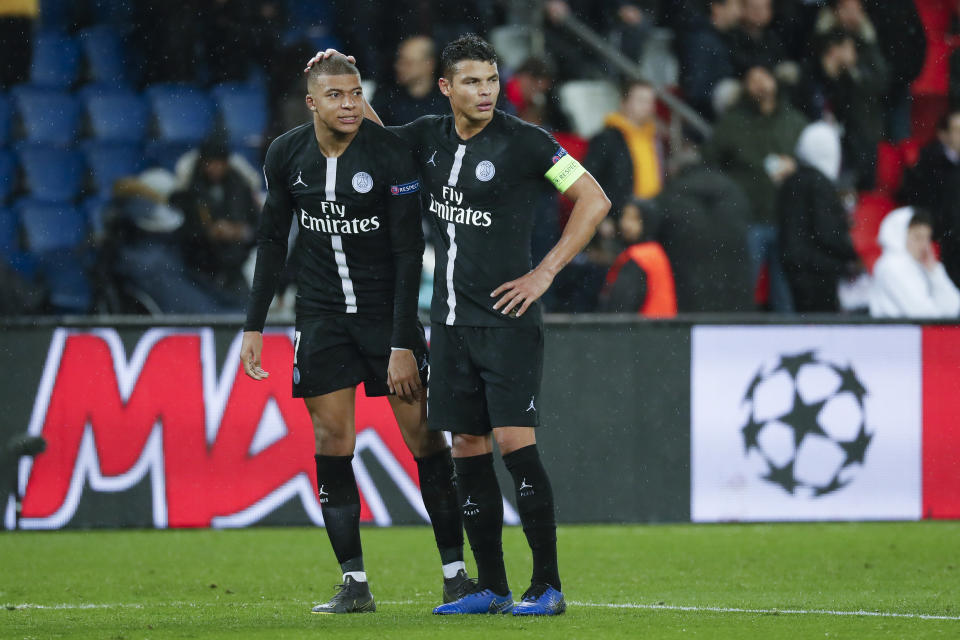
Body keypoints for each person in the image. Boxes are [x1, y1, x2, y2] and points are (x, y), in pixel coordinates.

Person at [307, 34, 611, 616]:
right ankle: (491, 588)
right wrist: (343, 78)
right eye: (472, 82)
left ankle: (546, 586)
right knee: (466, 446)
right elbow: (368, 138)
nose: (486, 92)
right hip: (447, 326)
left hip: (506, 323)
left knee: (515, 444)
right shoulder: (427, 138)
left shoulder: (526, 143)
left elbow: (593, 199)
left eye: (492, 80)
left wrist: (544, 273)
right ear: (446, 88)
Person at [239, 54, 473, 615]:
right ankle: (354, 583)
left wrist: (400, 344)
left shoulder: (389, 154)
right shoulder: (285, 154)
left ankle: (456, 574)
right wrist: (254, 323)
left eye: (355, 93)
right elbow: (273, 242)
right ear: (312, 102)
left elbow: (406, 251)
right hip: (320, 321)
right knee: (331, 443)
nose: (348, 105)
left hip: (384, 317)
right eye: (336, 96)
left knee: (425, 441)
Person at [705, 65, 807, 312]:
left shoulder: (794, 121)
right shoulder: (731, 123)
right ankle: (732, 340)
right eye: (752, 80)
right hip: (747, 219)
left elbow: (813, 162)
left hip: (787, 218)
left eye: (764, 77)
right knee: (741, 290)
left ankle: (788, 342)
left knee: (786, 294)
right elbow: (708, 164)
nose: (760, 84)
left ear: (774, 81)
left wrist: (797, 166)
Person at [778, 121, 861, 312]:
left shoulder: (792, 181)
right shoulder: (820, 184)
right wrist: (851, 253)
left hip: (794, 267)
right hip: (818, 270)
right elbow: (826, 231)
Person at [585, 79, 664, 219]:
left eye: (650, 101)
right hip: (619, 217)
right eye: (640, 100)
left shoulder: (654, 137)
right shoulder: (607, 138)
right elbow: (589, 181)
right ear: (624, 102)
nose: (647, 106)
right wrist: (603, 218)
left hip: (649, 214)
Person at [901, 109, 960, 287]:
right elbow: (919, 201)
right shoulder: (928, 163)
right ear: (943, 135)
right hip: (943, 234)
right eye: (957, 130)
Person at [869, 207, 960, 318]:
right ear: (899, 235)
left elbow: (953, 307)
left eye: (927, 238)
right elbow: (921, 314)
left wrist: (934, 270)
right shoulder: (891, 266)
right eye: (918, 237)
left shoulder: (921, 266)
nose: (924, 245)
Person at [598, 199, 677, 316]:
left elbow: (622, 307)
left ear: (648, 222)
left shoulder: (638, 257)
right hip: (661, 330)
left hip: (643, 331)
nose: (625, 224)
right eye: (625, 216)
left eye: (634, 219)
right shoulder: (656, 252)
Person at [680, 0, 742, 120]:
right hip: (704, 122)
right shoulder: (702, 41)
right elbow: (696, 91)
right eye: (735, 6)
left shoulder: (726, 38)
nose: (739, 13)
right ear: (717, 8)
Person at [370, 36, 449, 127]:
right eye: (399, 60)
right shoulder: (385, 97)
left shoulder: (449, 101)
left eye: (408, 63)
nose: (399, 66)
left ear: (429, 64)